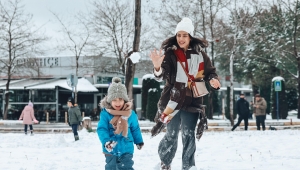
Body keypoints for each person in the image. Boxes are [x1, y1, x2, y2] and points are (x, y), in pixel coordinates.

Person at [149, 17, 221, 170]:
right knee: (172, 134)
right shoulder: (170, 54)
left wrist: (213, 79)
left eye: (184, 35)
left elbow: (210, 72)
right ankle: (165, 163)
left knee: (188, 135)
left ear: (190, 37)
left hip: (192, 101)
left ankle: (188, 167)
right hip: (172, 100)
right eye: (178, 35)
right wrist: (157, 67)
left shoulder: (200, 55)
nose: (181, 38)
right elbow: (161, 75)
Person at [97, 77, 144, 170]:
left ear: (125, 100)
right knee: (111, 168)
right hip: (110, 148)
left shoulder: (130, 114)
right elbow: (102, 129)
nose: (117, 103)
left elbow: (135, 128)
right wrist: (106, 141)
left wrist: (138, 141)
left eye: (120, 99)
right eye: (114, 100)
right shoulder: (105, 114)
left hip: (126, 148)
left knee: (126, 167)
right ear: (109, 100)